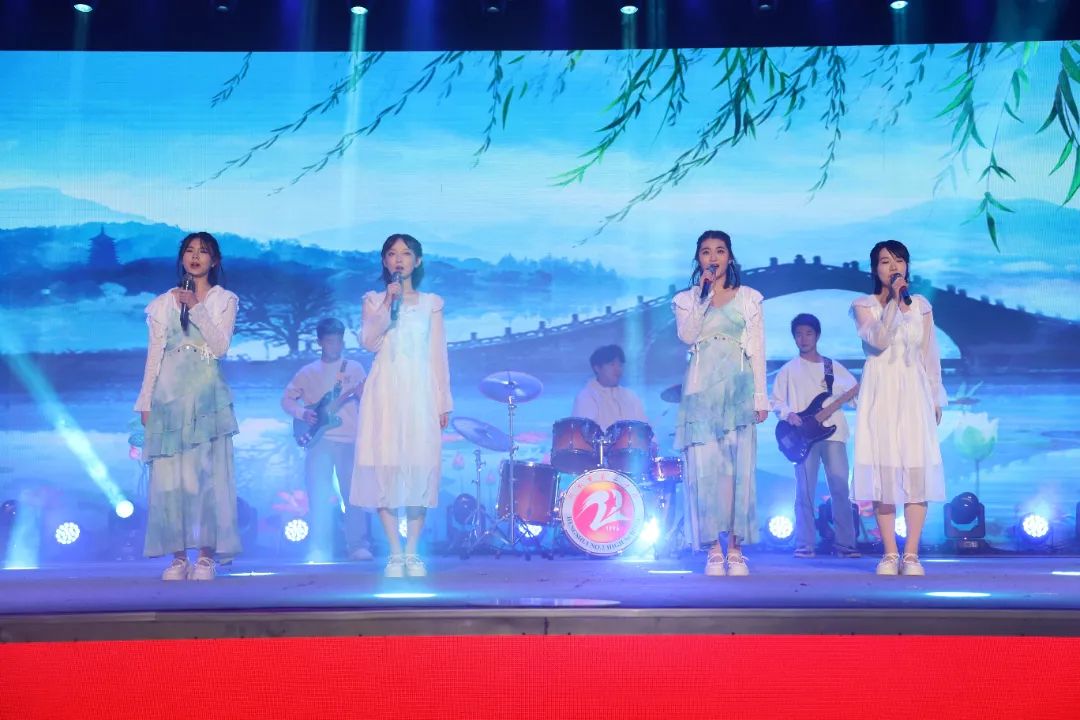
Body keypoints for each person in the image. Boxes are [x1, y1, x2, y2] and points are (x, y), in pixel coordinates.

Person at [134, 231, 241, 581]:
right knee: (171, 479)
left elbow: (220, 347)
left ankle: (206, 556)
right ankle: (178, 557)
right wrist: (145, 400)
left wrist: (196, 306)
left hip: (207, 396)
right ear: (182, 258)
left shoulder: (224, 300)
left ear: (215, 260)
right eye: (190, 251)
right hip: (168, 396)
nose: (195, 257)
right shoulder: (162, 304)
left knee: (207, 476)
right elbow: (154, 356)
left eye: (203, 251)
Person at [351, 234, 452, 578]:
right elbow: (368, 342)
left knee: (419, 466)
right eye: (392, 254)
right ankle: (395, 552)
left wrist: (443, 401)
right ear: (384, 261)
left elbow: (438, 356)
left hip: (420, 392)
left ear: (417, 261)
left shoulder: (431, 304)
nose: (399, 259)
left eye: (406, 254)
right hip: (384, 392)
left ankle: (413, 552)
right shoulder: (373, 300)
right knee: (386, 467)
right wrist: (386, 304)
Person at [672, 230, 768, 577]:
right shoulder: (687, 299)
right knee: (705, 469)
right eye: (706, 252)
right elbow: (687, 335)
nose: (713, 258)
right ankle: (713, 548)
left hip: (737, 389)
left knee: (737, 470)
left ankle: (736, 548)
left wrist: (761, 397)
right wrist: (703, 296)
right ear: (698, 259)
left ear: (730, 257)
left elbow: (758, 349)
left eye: (720, 251)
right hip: (701, 392)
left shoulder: (749, 298)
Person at [850, 240, 947, 576]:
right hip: (881, 394)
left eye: (899, 261)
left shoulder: (921, 306)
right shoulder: (862, 306)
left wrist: (935, 398)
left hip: (913, 393)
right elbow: (879, 340)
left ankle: (912, 554)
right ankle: (890, 553)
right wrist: (893, 300)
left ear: (907, 266)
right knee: (884, 473)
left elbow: (929, 356)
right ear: (875, 269)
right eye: (885, 261)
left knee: (917, 471)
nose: (893, 267)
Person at [281, 318, 372, 562]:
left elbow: (368, 401)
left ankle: (357, 545)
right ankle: (320, 547)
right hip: (318, 442)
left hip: (348, 439)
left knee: (353, 495)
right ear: (320, 342)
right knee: (318, 496)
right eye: (330, 341)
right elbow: (287, 400)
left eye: (339, 341)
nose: (335, 346)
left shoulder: (354, 368)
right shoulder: (307, 372)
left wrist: (362, 395)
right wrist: (303, 413)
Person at [771, 313, 861, 559]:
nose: (804, 338)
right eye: (799, 334)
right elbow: (776, 401)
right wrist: (788, 414)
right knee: (804, 492)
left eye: (809, 333)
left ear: (817, 336)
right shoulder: (788, 370)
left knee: (840, 489)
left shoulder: (832, 367)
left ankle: (846, 544)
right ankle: (805, 544)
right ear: (794, 338)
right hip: (802, 436)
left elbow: (855, 396)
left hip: (834, 434)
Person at [571, 344, 648, 430]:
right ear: (597, 368)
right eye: (612, 365)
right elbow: (582, 433)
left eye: (620, 365)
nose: (618, 370)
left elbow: (645, 430)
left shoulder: (631, 396)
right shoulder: (586, 397)